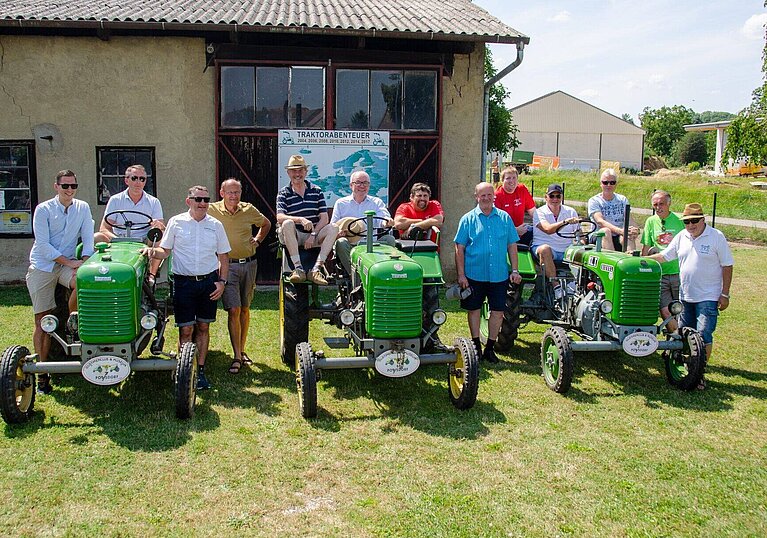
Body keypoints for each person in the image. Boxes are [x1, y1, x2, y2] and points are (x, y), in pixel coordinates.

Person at [141, 186, 231, 391]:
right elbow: (165, 250)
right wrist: (150, 251)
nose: (202, 203)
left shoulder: (215, 225)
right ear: (188, 200)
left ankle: (200, 372)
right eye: (198, 199)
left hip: (208, 282)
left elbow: (224, 256)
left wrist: (222, 282)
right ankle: (184, 371)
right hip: (183, 282)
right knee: (186, 328)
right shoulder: (176, 222)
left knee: (203, 326)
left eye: (206, 200)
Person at [646, 203, 734, 389]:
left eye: (694, 221)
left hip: (708, 296)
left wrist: (724, 294)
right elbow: (664, 256)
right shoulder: (682, 236)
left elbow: (727, 265)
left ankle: (699, 374)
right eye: (687, 222)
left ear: (703, 220)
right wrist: (641, 259)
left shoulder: (716, 237)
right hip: (686, 295)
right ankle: (688, 370)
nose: (691, 225)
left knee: (703, 336)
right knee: (684, 335)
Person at [26, 170, 94, 394]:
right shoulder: (43, 209)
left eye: (73, 186)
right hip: (44, 265)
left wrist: (84, 261)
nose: (69, 190)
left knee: (83, 282)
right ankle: (43, 373)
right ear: (56, 187)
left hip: (68, 265)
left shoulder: (82, 207)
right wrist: (70, 262)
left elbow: (87, 238)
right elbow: (43, 245)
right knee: (42, 321)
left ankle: (73, 324)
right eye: (65, 186)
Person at [207, 178, 271, 375]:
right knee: (233, 309)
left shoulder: (248, 209)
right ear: (221, 193)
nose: (233, 196)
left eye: (237, 192)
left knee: (244, 309)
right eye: (230, 192)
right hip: (227, 266)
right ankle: (236, 356)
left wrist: (258, 240)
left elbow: (266, 223)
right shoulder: (211, 210)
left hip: (249, 264)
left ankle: (242, 350)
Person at [455, 182, 523, 363]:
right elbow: (459, 248)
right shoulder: (467, 219)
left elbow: (511, 245)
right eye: (482, 195)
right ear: (476, 197)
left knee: (498, 312)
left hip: (499, 275)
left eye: (489, 195)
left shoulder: (504, 218)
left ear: (494, 196)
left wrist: (515, 270)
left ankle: (490, 348)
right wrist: (461, 275)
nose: (486, 198)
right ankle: (476, 345)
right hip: (474, 274)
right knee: (474, 310)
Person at [94, 164, 164, 284]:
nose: (138, 182)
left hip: (143, 240)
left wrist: (157, 225)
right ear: (126, 180)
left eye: (142, 179)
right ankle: (100, 270)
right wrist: (118, 240)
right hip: (118, 239)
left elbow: (161, 227)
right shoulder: (115, 200)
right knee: (96, 237)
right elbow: (104, 228)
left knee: (158, 238)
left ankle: (151, 275)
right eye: (134, 178)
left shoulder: (153, 202)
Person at [276, 155, 338, 285]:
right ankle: (298, 269)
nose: (297, 174)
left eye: (300, 170)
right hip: (295, 235)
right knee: (286, 223)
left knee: (334, 227)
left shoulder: (316, 190)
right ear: (288, 173)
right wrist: (300, 219)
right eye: (294, 170)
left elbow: (324, 218)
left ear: (306, 172)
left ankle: (316, 269)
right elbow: (280, 217)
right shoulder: (284, 193)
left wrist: (313, 234)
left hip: (314, 235)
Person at [331, 170, 395, 275]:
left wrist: (386, 223)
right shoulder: (341, 203)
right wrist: (339, 233)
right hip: (351, 244)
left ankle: (383, 272)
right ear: (351, 185)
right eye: (358, 183)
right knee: (340, 243)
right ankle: (356, 275)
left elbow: (383, 218)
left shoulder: (376, 202)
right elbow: (333, 226)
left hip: (373, 244)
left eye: (365, 183)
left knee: (390, 239)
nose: (362, 186)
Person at [640, 190, 684, 332]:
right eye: (655, 204)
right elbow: (646, 246)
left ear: (669, 204)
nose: (658, 207)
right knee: (665, 311)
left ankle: (683, 342)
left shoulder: (680, 221)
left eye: (662, 204)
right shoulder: (650, 222)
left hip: (678, 273)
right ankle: (677, 339)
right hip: (660, 275)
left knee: (681, 311)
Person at [531, 184, 581, 299]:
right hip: (544, 247)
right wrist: (565, 222)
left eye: (558, 196)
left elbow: (579, 234)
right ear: (546, 197)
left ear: (561, 197)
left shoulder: (571, 211)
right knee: (545, 249)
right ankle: (556, 287)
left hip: (567, 249)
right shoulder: (539, 212)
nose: (555, 199)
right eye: (551, 196)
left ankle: (577, 286)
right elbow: (548, 229)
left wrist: (581, 243)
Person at [587, 168, 639, 251]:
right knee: (606, 231)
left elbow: (629, 218)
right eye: (605, 182)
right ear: (601, 184)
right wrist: (621, 231)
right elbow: (600, 221)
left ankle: (631, 259)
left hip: (619, 234)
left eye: (612, 182)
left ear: (616, 184)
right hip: (599, 236)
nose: (608, 185)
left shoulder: (622, 199)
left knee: (629, 235)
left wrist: (634, 229)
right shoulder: (594, 201)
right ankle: (612, 261)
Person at [494, 166, 536, 245]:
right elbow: (496, 224)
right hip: (504, 234)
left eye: (514, 178)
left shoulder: (522, 189)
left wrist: (543, 225)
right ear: (502, 180)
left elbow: (533, 212)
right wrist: (514, 230)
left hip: (521, 231)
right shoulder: (497, 196)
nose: (512, 181)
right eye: (508, 178)